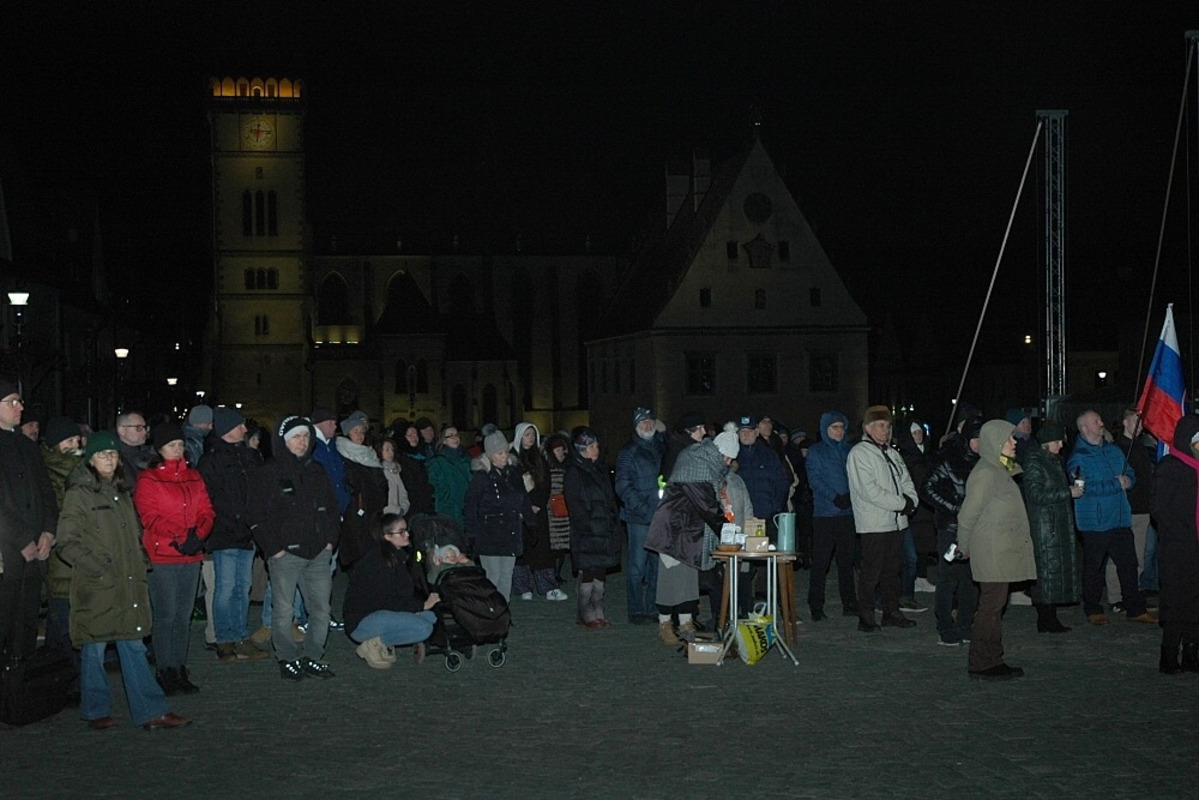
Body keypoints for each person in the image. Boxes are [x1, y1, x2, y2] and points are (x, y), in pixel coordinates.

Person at [54, 431, 191, 730]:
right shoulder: (80, 493)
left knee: (133, 645)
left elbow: (132, 535)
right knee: (94, 648)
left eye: (113, 455)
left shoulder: (121, 492)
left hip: (128, 582)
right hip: (98, 584)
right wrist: (97, 567)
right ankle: (95, 708)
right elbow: (66, 541)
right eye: (103, 454)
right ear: (90, 459)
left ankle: (151, 711)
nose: (109, 459)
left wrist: (140, 561)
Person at [250, 416, 341, 681]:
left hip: (317, 553)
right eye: (295, 437)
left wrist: (329, 542)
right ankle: (287, 657)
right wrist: (274, 549)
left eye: (305, 436)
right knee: (284, 610)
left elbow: (332, 509)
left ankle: (313, 656)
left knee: (321, 609)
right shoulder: (267, 472)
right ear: (283, 440)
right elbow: (256, 514)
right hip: (286, 554)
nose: (301, 442)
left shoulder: (317, 470)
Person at [134, 421, 216, 695]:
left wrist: (199, 534)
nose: (178, 450)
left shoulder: (194, 476)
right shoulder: (149, 479)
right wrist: (182, 536)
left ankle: (179, 666)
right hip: (163, 555)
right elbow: (150, 516)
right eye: (172, 445)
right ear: (160, 449)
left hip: (190, 555)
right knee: (166, 615)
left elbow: (206, 509)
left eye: (180, 445)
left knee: (183, 616)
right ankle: (164, 668)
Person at [957, 420, 1036, 680]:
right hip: (991, 551)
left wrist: (1007, 457)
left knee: (995, 605)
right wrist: (963, 545)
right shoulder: (986, 474)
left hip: (1000, 548)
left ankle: (993, 658)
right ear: (994, 444)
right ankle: (982, 662)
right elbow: (967, 515)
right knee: (991, 607)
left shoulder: (998, 467)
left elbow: (1017, 470)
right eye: (1008, 440)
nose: (1014, 443)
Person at [1067, 409, 1156, 625]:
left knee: (1129, 564)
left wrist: (1129, 481)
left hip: (1119, 518)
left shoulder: (1113, 450)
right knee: (1094, 568)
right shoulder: (1079, 457)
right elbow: (1083, 487)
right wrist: (1116, 484)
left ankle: (1135, 608)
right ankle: (1092, 608)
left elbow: (1130, 473)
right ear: (1084, 428)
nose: (1101, 423)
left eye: (1100, 419)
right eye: (1096, 421)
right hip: (1095, 522)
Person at [646, 434, 727, 645]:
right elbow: (707, 505)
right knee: (670, 579)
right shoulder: (696, 467)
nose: (727, 463)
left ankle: (686, 622)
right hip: (672, 530)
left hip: (690, 531)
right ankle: (664, 624)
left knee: (688, 580)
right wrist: (727, 529)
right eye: (727, 458)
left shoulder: (704, 462)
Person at [198, 406, 265, 662]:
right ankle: (224, 639)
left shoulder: (249, 456)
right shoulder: (211, 459)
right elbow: (210, 499)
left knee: (243, 587)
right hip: (224, 533)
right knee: (225, 588)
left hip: (246, 533)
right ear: (227, 429)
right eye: (240, 426)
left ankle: (240, 635)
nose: (245, 430)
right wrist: (227, 522)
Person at [847, 405, 919, 632]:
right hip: (874, 523)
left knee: (892, 571)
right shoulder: (859, 454)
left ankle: (891, 611)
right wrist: (901, 504)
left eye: (887, 426)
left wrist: (912, 500)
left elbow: (905, 480)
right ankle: (866, 616)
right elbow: (870, 490)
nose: (884, 431)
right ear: (867, 427)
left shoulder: (892, 453)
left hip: (897, 522)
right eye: (880, 426)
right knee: (872, 572)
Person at [0, 381, 58, 658]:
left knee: (24, 632)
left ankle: (17, 693)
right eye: (12, 401)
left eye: (19, 401)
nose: (19, 407)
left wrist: (48, 530)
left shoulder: (27, 446)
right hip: (8, 553)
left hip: (33, 554)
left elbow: (47, 492)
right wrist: (22, 538)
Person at [343, 513, 440, 669]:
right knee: (423, 627)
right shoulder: (378, 562)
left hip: (382, 612)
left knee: (431, 618)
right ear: (387, 536)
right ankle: (375, 644)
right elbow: (388, 600)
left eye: (406, 530)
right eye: (401, 532)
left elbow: (402, 593)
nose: (407, 534)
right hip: (363, 620)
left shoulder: (396, 556)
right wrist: (421, 606)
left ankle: (379, 641)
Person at [921, 417, 981, 646]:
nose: (979, 443)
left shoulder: (984, 461)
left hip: (976, 528)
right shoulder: (946, 458)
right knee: (948, 579)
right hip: (950, 527)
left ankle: (966, 624)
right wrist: (954, 508)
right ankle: (945, 625)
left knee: (970, 579)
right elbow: (927, 488)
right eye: (975, 438)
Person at [1019, 422, 1081, 633]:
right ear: (1046, 443)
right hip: (1044, 526)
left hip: (1055, 523)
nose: (1061, 445)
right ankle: (1045, 619)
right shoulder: (1035, 462)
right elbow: (1035, 495)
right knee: (1046, 572)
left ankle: (1049, 619)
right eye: (1056, 441)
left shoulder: (1052, 460)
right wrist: (1067, 492)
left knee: (1054, 572)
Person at [463, 431, 534, 603]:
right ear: (490, 455)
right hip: (489, 533)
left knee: (506, 574)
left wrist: (531, 522)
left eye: (505, 452)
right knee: (493, 574)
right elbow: (470, 505)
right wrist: (471, 532)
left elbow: (523, 498)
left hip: (510, 530)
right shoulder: (482, 476)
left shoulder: (514, 472)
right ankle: (490, 609)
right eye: (499, 453)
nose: (503, 456)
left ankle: (503, 608)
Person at [1152, 415, 1198, 673]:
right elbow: (1160, 510)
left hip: (1197, 549)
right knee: (1176, 600)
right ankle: (1169, 654)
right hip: (1177, 548)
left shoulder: (1197, 468)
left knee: (1195, 602)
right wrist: (1185, 534)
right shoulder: (1170, 467)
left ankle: (1192, 652)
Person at [564, 427, 621, 629]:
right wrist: (586, 526)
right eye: (593, 446)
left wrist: (613, 521)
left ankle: (599, 609)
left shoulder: (600, 469)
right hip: (587, 532)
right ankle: (586, 612)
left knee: (600, 573)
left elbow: (609, 499)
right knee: (588, 572)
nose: (597, 448)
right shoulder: (574, 472)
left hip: (603, 529)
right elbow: (575, 503)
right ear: (584, 449)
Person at [805, 411, 858, 622]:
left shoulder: (849, 450)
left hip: (847, 514)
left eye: (841, 427)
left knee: (847, 562)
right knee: (821, 563)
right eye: (834, 427)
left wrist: (851, 497)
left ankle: (850, 603)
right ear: (826, 430)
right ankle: (816, 605)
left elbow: (857, 476)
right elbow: (814, 480)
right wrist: (835, 497)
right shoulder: (816, 452)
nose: (839, 431)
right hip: (825, 515)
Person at [615, 406, 664, 623]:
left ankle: (653, 608)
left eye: (650, 421)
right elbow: (622, 485)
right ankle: (636, 610)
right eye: (643, 422)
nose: (648, 425)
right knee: (636, 566)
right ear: (636, 425)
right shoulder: (628, 452)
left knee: (656, 566)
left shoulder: (660, 447)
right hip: (639, 519)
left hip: (659, 516)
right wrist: (643, 509)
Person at [511, 422, 567, 601]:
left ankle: (548, 587)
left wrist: (539, 503)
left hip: (539, 511)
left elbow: (545, 483)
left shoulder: (539, 458)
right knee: (523, 549)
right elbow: (513, 485)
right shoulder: (513, 458)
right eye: (527, 435)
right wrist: (526, 505)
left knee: (542, 549)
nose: (530, 438)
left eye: (532, 435)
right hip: (519, 512)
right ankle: (523, 587)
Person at [1108, 408, 1155, 613]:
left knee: (1140, 556)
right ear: (1126, 422)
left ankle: (1132, 593)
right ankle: (1116, 596)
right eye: (1136, 420)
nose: (1140, 425)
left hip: (1144, 508)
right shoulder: (1118, 448)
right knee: (1119, 555)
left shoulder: (1141, 447)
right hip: (1126, 509)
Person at [336, 410, 389, 570]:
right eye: (355, 432)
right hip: (356, 512)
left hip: (374, 510)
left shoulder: (369, 454)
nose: (359, 435)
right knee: (359, 553)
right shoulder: (343, 455)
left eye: (362, 432)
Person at [425, 425, 470, 522]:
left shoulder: (465, 458)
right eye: (450, 436)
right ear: (444, 440)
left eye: (456, 435)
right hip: (449, 510)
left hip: (466, 509)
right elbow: (434, 486)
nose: (455, 438)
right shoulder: (438, 461)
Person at [544, 432, 572, 582]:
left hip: (564, 512)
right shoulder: (546, 469)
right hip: (551, 513)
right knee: (552, 547)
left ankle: (557, 573)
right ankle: (551, 575)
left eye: (563, 449)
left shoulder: (566, 468)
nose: (561, 453)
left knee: (561, 547)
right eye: (558, 450)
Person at [114, 410, 154, 487]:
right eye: (139, 428)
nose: (145, 432)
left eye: (145, 427)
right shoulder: (114, 459)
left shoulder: (147, 453)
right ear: (122, 430)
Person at [376, 437, 411, 516]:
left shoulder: (396, 470)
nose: (391, 453)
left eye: (392, 450)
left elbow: (403, 492)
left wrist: (403, 508)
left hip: (399, 513)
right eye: (387, 450)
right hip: (386, 514)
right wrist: (392, 510)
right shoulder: (379, 472)